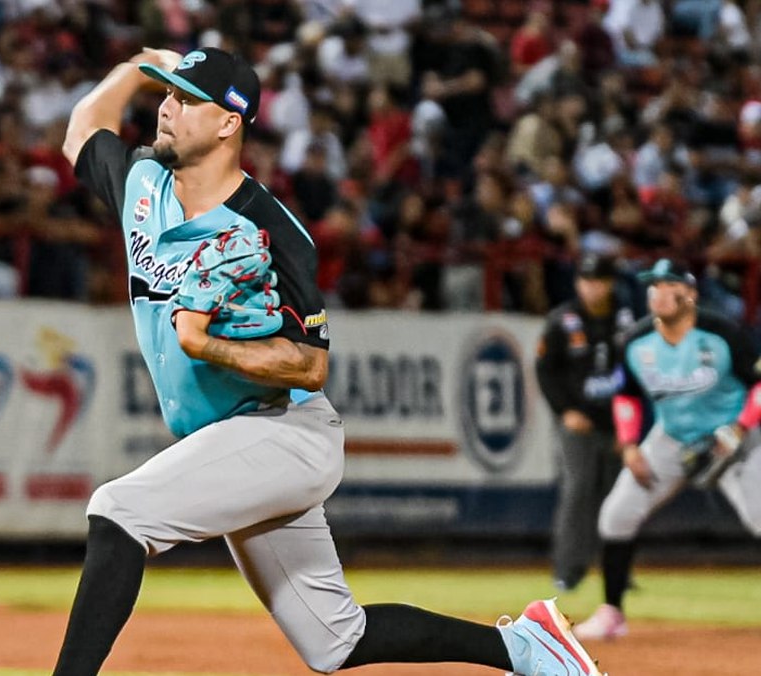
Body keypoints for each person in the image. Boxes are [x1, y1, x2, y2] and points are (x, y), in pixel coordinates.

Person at [53, 46, 603, 676]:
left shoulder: (270, 230)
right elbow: (82, 129)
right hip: (225, 443)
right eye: (166, 95)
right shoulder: (142, 184)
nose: (167, 109)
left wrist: (210, 346)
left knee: (119, 511)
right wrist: (137, 64)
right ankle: (526, 649)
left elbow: (310, 367)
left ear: (230, 122)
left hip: (285, 432)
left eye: (185, 99)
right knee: (334, 641)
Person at [574, 259, 761, 641]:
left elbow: (758, 385)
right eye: (653, 286)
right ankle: (612, 614)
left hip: (733, 439)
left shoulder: (721, 333)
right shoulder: (636, 341)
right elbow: (626, 396)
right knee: (616, 514)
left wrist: (739, 428)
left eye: (669, 285)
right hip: (672, 439)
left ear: (690, 294)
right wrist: (629, 446)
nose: (659, 293)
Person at [536, 253, 635, 591]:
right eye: (586, 280)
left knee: (618, 495)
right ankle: (568, 568)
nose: (592, 288)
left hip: (617, 421)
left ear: (609, 283)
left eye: (599, 280)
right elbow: (545, 371)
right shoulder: (562, 321)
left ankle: (617, 571)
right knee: (578, 491)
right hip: (578, 421)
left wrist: (630, 428)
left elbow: (637, 374)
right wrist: (564, 410)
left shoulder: (627, 318)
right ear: (578, 283)